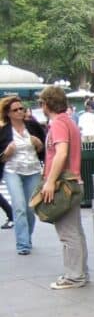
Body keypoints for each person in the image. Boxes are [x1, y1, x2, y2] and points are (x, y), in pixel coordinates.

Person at [38, 85, 88, 289]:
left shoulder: (58, 124)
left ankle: (74, 276)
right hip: (74, 181)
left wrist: (50, 181)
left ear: (46, 103)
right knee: (75, 231)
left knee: (67, 232)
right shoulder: (68, 122)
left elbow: (61, 153)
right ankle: (79, 272)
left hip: (64, 183)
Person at [0, 95, 45, 254]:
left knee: (30, 208)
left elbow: (45, 148)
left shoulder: (33, 126)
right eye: (16, 110)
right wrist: (6, 153)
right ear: (8, 113)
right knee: (19, 206)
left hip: (32, 170)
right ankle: (23, 244)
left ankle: (27, 237)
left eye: (22, 108)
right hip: (12, 171)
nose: (20, 111)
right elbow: (1, 157)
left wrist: (39, 146)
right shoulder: (3, 131)